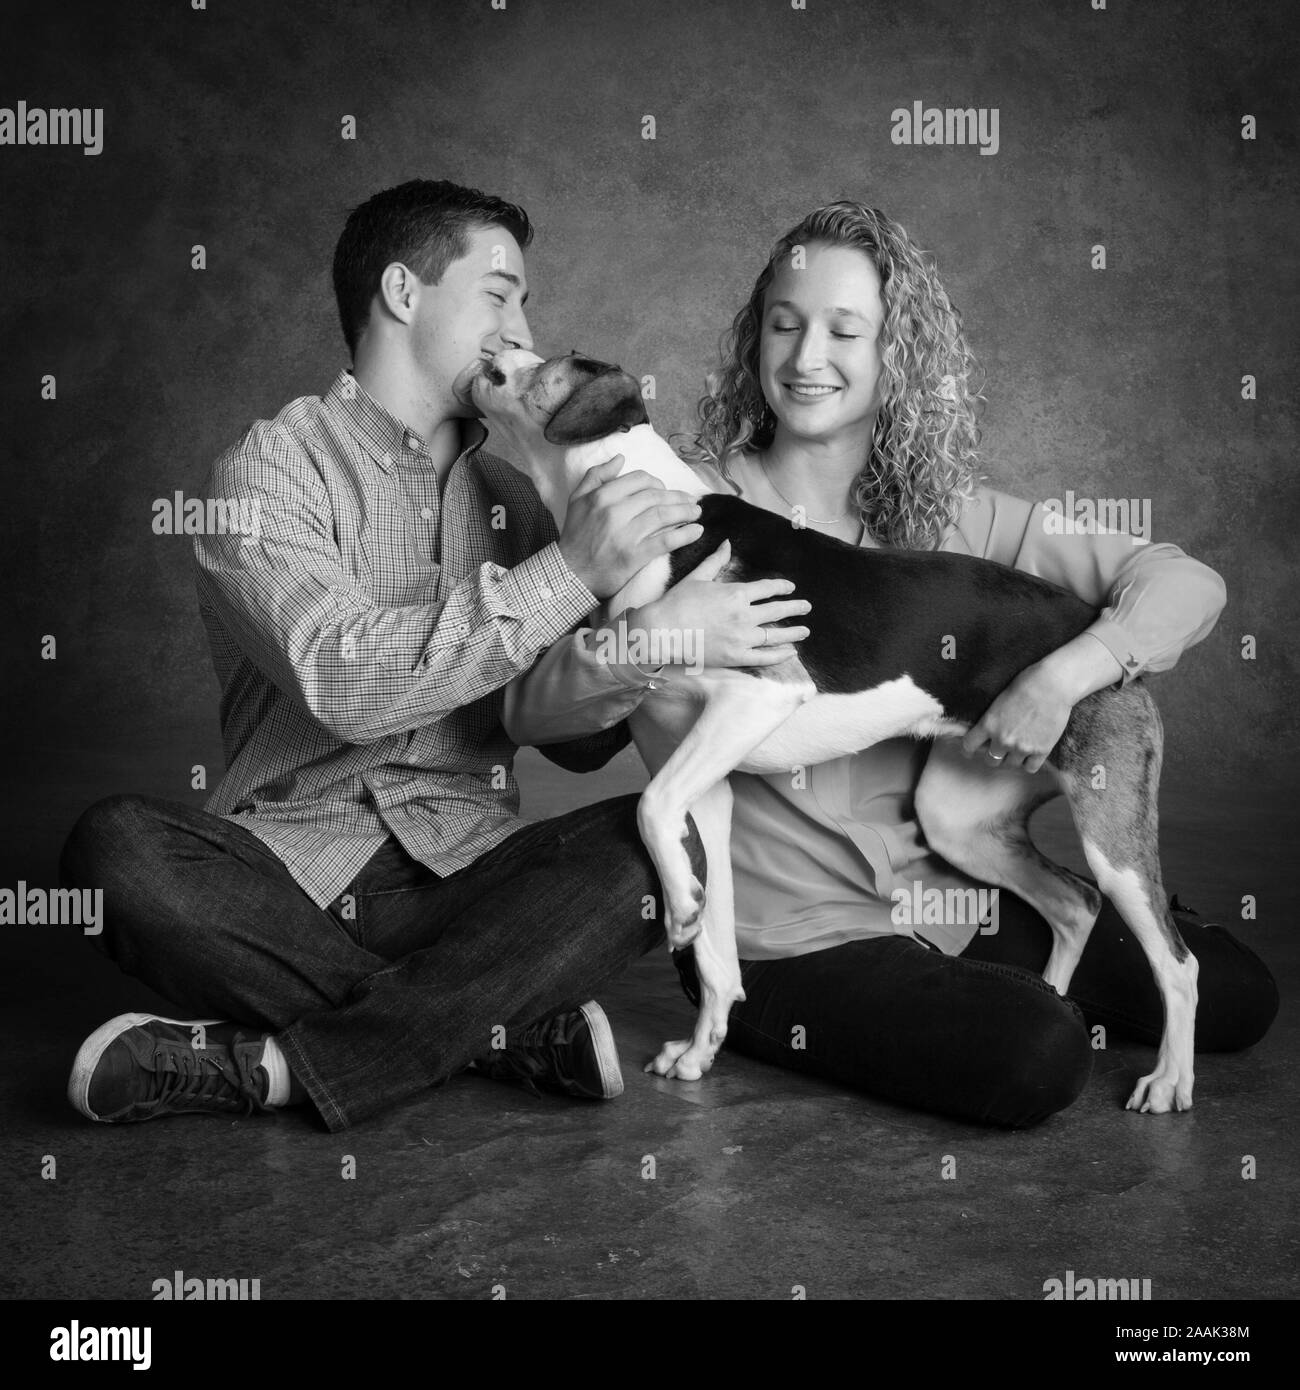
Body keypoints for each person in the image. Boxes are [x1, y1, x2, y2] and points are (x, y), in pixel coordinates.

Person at [505, 200, 1279, 1128]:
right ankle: (771, 1016)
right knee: (1036, 1056)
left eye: (844, 330)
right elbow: (542, 720)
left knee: (1240, 995)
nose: (805, 358)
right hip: (797, 938)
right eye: (784, 326)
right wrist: (658, 636)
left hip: (948, 892)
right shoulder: (679, 509)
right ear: (756, 343)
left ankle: (1048, 953)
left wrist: (1064, 676)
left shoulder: (964, 519)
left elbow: (1185, 584)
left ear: (893, 356)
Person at [57, 178, 805, 1132]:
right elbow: (343, 680)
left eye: (526, 301)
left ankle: (268, 1066)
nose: (520, 325)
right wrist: (571, 572)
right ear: (404, 293)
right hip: (287, 881)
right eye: (499, 293)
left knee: (664, 844)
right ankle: (487, 1027)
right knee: (114, 849)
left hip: (473, 879)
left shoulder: (524, 495)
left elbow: (573, 748)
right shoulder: (269, 470)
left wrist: (652, 633)